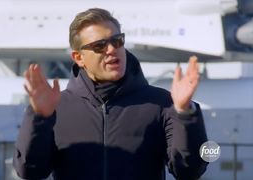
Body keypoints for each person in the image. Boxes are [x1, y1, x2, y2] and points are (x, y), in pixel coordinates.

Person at [13, 8, 208, 180]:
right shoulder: (55, 108)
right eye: (100, 46)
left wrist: (185, 113)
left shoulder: (162, 103)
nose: (112, 49)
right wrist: (40, 118)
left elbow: (191, 171)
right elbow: (30, 172)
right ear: (79, 58)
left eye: (117, 41)